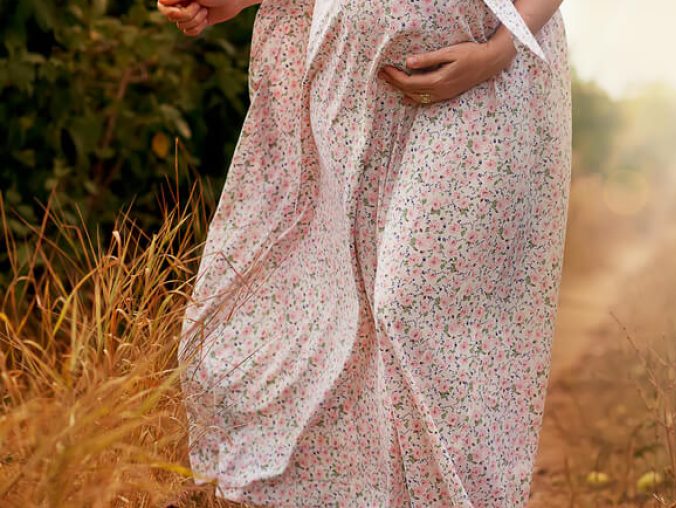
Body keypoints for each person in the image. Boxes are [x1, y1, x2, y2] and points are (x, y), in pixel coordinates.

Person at [156, 0, 571, 504]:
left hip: (483, 78)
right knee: (340, 329)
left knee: (408, 305)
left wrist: (499, 50)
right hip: (357, 90)